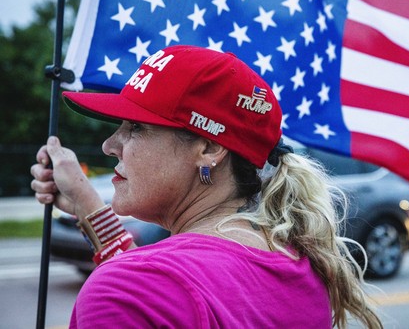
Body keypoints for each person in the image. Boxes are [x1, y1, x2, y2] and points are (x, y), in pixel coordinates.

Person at [30, 45, 382, 328]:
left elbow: (158, 290)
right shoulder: (299, 262)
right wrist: (87, 205)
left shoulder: (124, 290)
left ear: (210, 148)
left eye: (136, 128)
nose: (110, 144)